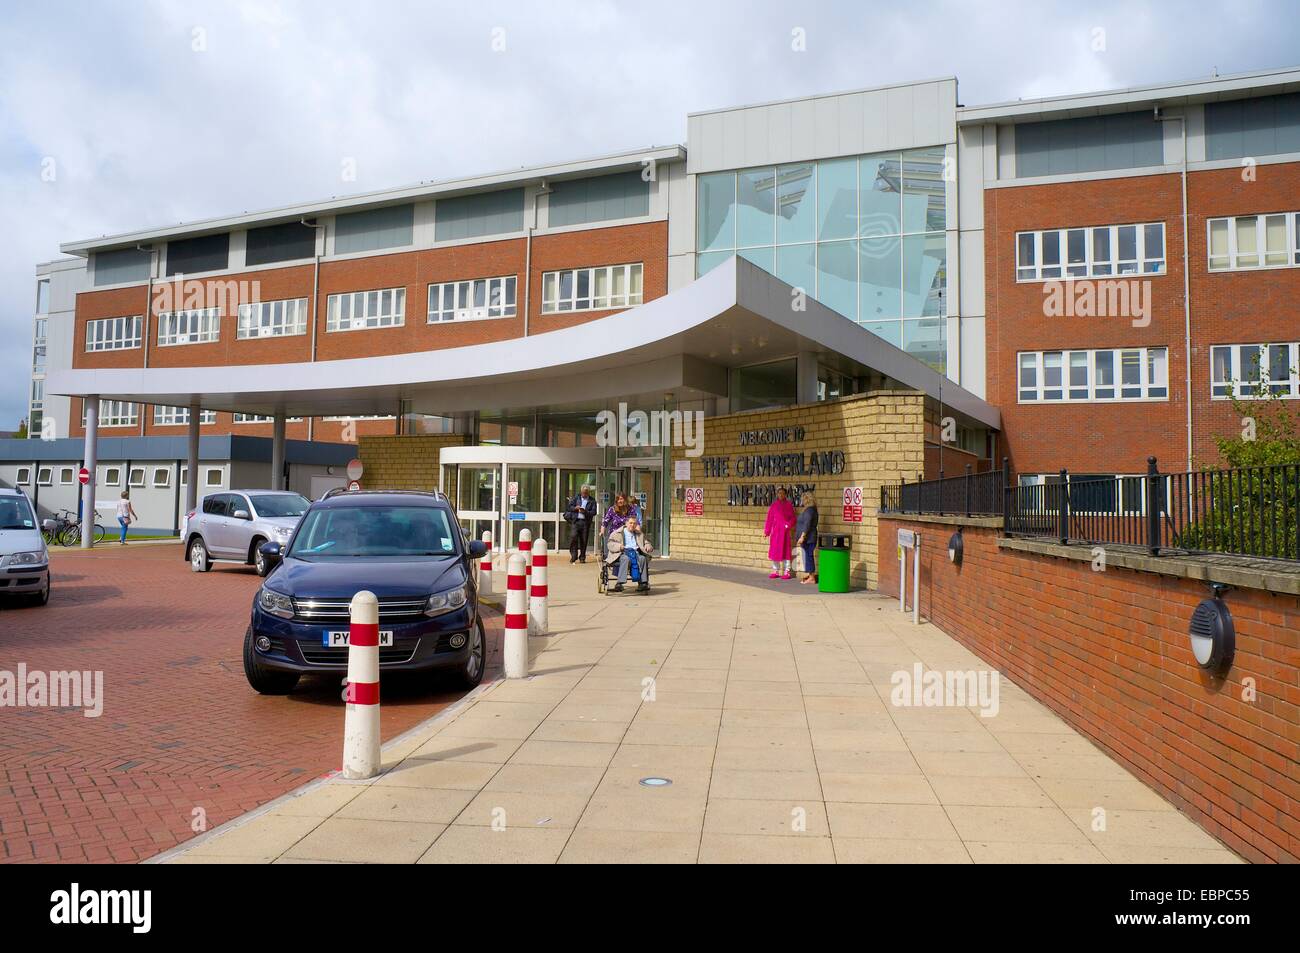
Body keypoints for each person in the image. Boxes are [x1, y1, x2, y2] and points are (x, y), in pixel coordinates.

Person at [605, 515, 653, 591]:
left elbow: (646, 542)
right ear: (626, 523)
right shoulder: (617, 533)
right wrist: (619, 546)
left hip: (635, 553)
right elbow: (609, 544)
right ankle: (619, 583)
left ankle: (643, 583)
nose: (632, 525)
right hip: (622, 553)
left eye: (634, 523)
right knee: (625, 559)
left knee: (642, 558)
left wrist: (648, 545)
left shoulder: (639, 534)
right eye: (630, 523)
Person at [763, 486, 796, 579]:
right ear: (777, 494)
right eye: (779, 493)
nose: (781, 495)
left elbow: (793, 518)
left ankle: (787, 571)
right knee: (775, 551)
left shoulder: (789, 505)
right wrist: (767, 531)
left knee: (786, 551)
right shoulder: (774, 505)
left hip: (785, 533)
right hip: (776, 533)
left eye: (782, 493)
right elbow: (769, 519)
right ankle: (775, 570)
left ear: (785, 494)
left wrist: (788, 525)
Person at [565, 485, 597, 563]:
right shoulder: (576, 498)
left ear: (588, 492)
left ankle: (582, 557)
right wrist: (575, 508)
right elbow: (569, 507)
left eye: (586, 493)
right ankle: (574, 555)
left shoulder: (592, 500)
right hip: (576, 521)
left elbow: (594, 512)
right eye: (583, 492)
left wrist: (585, 512)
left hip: (585, 523)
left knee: (584, 540)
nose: (584, 494)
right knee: (573, 537)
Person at [794, 492, 819, 585]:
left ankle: (812, 578)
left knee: (809, 556)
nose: (802, 501)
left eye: (803, 499)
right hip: (808, 538)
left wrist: (802, 537)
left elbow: (807, 525)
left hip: (808, 538)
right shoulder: (810, 510)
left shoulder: (809, 511)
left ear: (806, 499)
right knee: (808, 556)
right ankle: (810, 575)